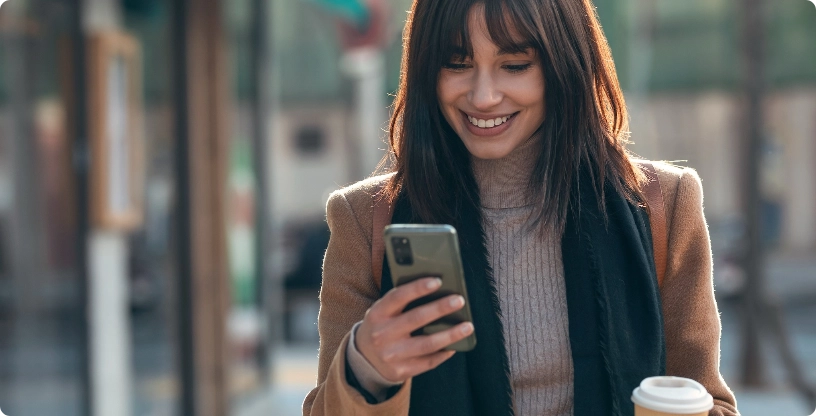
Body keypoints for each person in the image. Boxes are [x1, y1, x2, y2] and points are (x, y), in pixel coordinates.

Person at [303, 0, 739, 414]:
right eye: (457, 64)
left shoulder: (663, 205)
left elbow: (712, 402)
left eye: (515, 65)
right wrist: (367, 367)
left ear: (563, 64)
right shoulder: (364, 219)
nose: (484, 96)